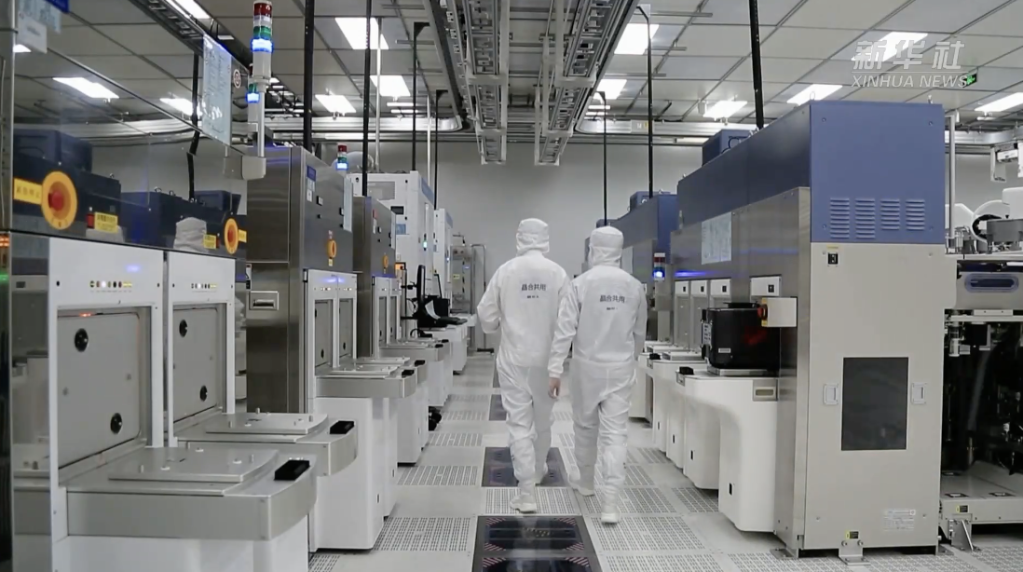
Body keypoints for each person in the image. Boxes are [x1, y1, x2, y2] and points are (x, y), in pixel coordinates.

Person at [548, 226, 647, 524]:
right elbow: (639, 333)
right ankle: (611, 504)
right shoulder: (634, 287)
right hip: (620, 368)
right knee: (616, 434)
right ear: (619, 251)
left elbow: (564, 331)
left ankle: (587, 483)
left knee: (585, 428)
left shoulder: (581, 284)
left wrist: (554, 370)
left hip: (586, 368)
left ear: (593, 249)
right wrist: (631, 358)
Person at [478, 218, 569, 514]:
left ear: (519, 237)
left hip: (514, 360)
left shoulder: (506, 271)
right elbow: (568, 322)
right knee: (543, 421)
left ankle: (526, 493)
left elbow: (486, 316)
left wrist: (502, 323)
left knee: (518, 424)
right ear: (545, 239)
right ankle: (539, 469)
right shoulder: (557, 273)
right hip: (547, 361)